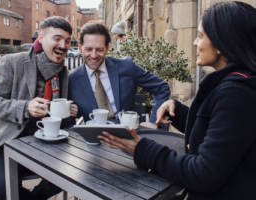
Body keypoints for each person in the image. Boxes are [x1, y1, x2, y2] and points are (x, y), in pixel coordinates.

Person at [99, 1, 256, 199]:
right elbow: (218, 130)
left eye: (200, 36)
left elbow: (203, 174)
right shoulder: (231, 86)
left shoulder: (237, 93)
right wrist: (179, 114)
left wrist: (143, 150)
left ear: (221, 43)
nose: (194, 43)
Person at [0, 16, 78, 200]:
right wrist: (25, 107)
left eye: (68, 41)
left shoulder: (62, 71)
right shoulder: (12, 62)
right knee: (3, 189)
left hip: (47, 143)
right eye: (57, 38)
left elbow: (56, 111)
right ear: (41, 37)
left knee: (73, 173)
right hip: (8, 142)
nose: (63, 45)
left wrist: (69, 112)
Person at [68, 21, 170, 123]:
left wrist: (155, 121)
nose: (94, 55)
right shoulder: (72, 79)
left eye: (99, 50)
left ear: (107, 48)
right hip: (93, 136)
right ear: (80, 47)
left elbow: (162, 87)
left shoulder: (126, 67)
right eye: (89, 49)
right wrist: (74, 111)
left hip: (128, 134)